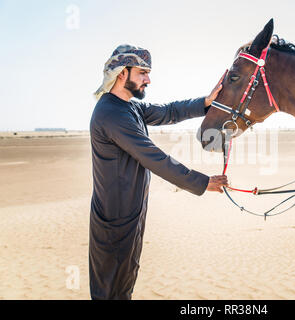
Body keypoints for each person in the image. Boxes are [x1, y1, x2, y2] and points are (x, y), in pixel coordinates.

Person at [89, 44, 228, 300]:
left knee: (124, 287)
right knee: (109, 292)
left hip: (131, 215)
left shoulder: (130, 107)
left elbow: (169, 112)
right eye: (142, 72)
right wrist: (202, 182)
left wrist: (205, 102)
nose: (148, 79)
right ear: (122, 73)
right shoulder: (111, 113)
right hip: (114, 221)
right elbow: (155, 158)